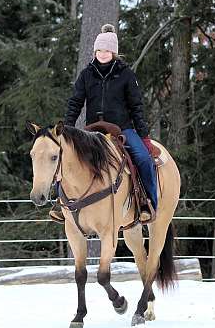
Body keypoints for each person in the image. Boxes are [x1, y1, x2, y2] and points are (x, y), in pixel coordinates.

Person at [50, 24, 157, 223]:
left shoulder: (126, 74)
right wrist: (66, 130)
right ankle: (60, 201)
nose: (103, 54)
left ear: (114, 52)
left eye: (107, 50)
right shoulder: (86, 74)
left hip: (122, 128)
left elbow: (136, 106)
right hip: (92, 131)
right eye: (99, 50)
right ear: (95, 51)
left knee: (143, 158)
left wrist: (143, 136)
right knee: (65, 156)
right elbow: (75, 103)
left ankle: (147, 202)